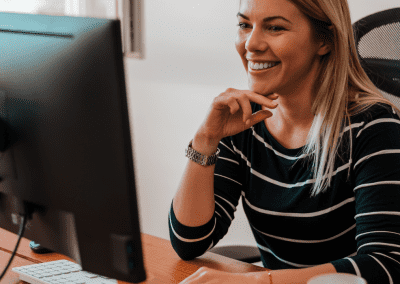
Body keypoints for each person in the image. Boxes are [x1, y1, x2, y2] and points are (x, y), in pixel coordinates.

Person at [168, 0, 400, 283]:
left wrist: (257, 282)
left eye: (274, 27)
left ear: (324, 41)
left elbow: (385, 264)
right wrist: (205, 140)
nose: (251, 44)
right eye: (244, 25)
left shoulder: (374, 126)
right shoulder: (242, 121)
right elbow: (189, 242)